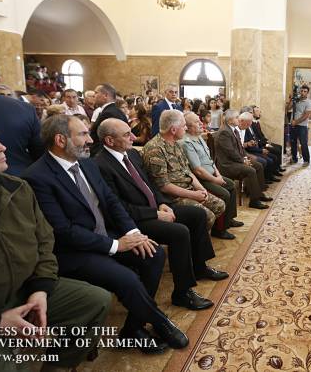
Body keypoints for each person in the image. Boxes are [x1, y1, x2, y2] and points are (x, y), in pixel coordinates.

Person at [0, 112, 111, 371]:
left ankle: (58, 365)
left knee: (95, 301)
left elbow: (44, 241)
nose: (1, 146)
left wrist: (40, 287)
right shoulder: (32, 179)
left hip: (26, 289)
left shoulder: (16, 188)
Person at [22, 115, 189, 354]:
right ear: (60, 139)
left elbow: (111, 203)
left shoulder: (88, 164)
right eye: (82, 135)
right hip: (74, 251)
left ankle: (132, 328)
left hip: (106, 236)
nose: (90, 140)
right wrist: (115, 245)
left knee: (153, 255)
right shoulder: (37, 177)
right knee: (127, 279)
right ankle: (161, 322)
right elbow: (62, 231)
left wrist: (133, 233)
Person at [95, 119, 227, 310]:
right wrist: (155, 213)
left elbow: (149, 184)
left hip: (154, 208)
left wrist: (162, 203)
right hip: (135, 220)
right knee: (179, 232)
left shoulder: (131, 154)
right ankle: (182, 292)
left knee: (196, 215)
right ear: (109, 140)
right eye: (126, 135)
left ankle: (200, 267)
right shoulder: (101, 165)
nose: (133, 137)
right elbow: (117, 206)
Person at [142, 110, 228, 235]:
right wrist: (193, 195)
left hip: (188, 189)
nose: (186, 128)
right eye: (183, 126)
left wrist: (201, 189)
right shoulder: (155, 149)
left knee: (220, 205)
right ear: (173, 130)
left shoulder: (175, 144)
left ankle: (199, 236)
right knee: (207, 216)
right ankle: (194, 240)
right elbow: (164, 186)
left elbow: (188, 171)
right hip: (172, 198)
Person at [183, 112, 243, 239]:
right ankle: (219, 230)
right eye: (196, 122)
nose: (200, 123)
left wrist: (218, 175)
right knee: (224, 193)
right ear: (188, 126)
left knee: (231, 185)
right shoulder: (186, 142)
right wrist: (215, 180)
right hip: (202, 179)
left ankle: (229, 218)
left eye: (199, 120)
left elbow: (210, 161)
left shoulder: (199, 137)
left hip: (212, 174)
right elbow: (198, 170)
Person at [214, 109, 272, 209]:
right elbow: (230, 152)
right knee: (250, 170)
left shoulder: (233, 130)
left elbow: (240, 148)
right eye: (237, 117)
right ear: (230, 120)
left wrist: (245, 157)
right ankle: (254, 201)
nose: (238, 119)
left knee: (258, 165)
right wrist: (243, 161)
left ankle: (258, 194)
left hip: (235, 161)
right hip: (227, 164)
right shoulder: (224, 132)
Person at [89, 83, 127, 156]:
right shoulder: (114, 110)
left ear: (105, 95)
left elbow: (106, 139)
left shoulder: (109, 113)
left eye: (96, 93)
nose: (94, 96)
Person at [251, 105, 285, 172]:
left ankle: (278, 167)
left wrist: (267, 141)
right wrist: (266, 143)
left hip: (264, 142)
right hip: (262, 145)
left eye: (259, 111)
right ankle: (275, 170)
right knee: (276, 150)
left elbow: (261, 135)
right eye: (257, 111)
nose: (259, 112)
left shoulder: (256, 122)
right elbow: (257, 138)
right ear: (253, 113)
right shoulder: (252, 124)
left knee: (279, 147)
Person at [286, 84, 311, 165]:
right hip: (293, 125)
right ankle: (294, 158)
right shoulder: (296, 100)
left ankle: (306, 160)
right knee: (293, 142)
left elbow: (306, 115)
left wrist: (296, 122)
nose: (303, 93)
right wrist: (291, 100)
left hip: (302, 126)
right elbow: (288, 108)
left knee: (303, 143)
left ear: (307, 93)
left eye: (305, 91)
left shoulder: (308, 102)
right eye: (301, 91)